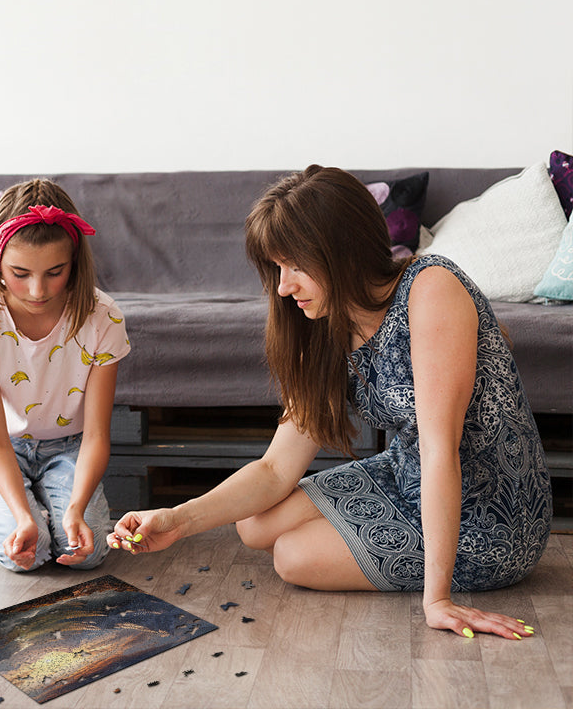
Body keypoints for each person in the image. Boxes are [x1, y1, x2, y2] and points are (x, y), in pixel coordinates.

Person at [108, 166, 550, 641]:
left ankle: (448, 572)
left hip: (490, 515)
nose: (283, 287)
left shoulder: (431, 288)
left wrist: (437, 600)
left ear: (343, 252)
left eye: (295, 266)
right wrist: (176, 519)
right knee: (254, 525)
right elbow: (276, 470)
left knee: (292, 556)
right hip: (409, 474)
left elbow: (441, 450)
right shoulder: (326, 323)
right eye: (277, 267)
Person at [0, 179, 130, 572]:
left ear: (74, 262)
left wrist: (78, 508)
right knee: (21, 557)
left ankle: (53, 506)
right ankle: (32, 506)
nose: (37, 290)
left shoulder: (104, 317)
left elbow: (98, 434)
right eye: (20, 273)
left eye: (55, 272)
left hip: (69, 445)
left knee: (89, 552)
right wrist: (22, 517)